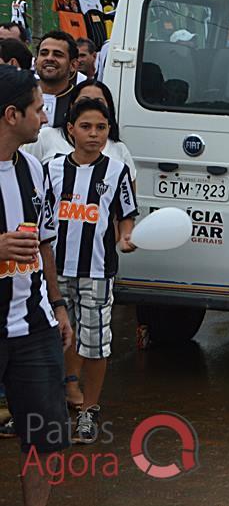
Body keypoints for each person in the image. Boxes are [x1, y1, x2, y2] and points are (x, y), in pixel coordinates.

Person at [42, 99, 137, 444]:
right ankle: (50, 405)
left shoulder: (116, 171)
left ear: (109, 131)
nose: (94, 134)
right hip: (53, 272)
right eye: (86, 126)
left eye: (101, 127)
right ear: (70, 130)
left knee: (96, 344)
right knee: (53, 338)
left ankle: (89, 411)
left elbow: (127, 212)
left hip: (97, 273)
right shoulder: (50, 169)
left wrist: (127, 236)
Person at [0, 64, 73, 505]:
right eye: (38, 109)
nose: (46, 118)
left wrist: (59, 306)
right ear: (12, 115)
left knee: (45, 440)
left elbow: (44, 243)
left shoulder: (33, 168)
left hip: (33, 326)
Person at [25, 80, 136, 183]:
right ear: (71, 105)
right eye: (84, 101)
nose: (91, 107)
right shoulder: (45, 137)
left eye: (99, 102)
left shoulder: (119, 150)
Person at [35, 31, 80, 126]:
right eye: (44, 53)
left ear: (73, 65)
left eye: (58, 55)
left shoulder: (79, 102)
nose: (49, 58)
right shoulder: (18, 96)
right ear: (35, 62)